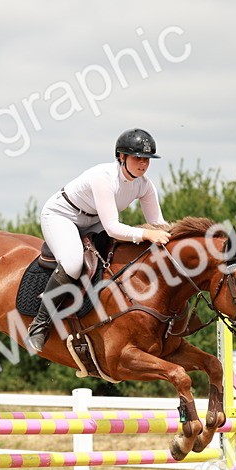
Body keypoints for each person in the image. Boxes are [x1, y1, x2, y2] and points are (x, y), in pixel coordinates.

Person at [25, 128, 172, 352]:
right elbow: (114, 228)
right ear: (121, 157)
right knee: (73, 264)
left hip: (94, 220)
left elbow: (158, 225)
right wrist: (146, 234)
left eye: (147, 159)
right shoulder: (103, 177)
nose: (143, 164)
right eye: (137, 158)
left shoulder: (144, 185)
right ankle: (40, 324)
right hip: (62, 215)